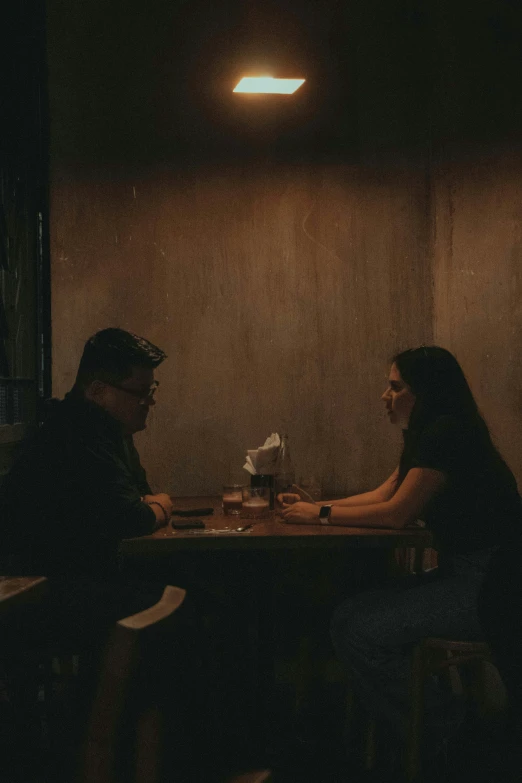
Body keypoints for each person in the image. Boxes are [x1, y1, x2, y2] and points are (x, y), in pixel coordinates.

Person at [278, 346, 522, 774]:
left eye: (395, 387)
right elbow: (384, 494)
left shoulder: (447, 433)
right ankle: (437, 727)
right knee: (347, 616)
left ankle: (450, 732)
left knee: (356, 628)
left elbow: (395, 514)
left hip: (493, 587)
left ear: (425, 392)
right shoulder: (432, 433)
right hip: (473, 577)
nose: (383, 396)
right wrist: (315, 506)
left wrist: (318, 514)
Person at [0, 327, 173, 634]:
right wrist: (165, 506)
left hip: (77, 579)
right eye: (141, 393)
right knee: (177, 604)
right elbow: (132, 515)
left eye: (153, 390)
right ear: (96, 391)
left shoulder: (109, 430)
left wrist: (149, 504)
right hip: (46, 591)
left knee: (180, 590)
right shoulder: (78, 433)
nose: (150, 402)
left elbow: (139, 494)